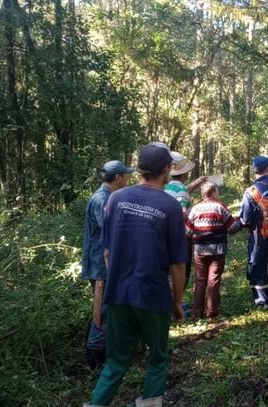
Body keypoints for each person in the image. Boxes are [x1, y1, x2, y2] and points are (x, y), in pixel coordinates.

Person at [84, 144, 188, 407]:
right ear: (166, 169)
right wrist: (177, 302)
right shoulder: (170, 206)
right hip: (153, 295)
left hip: (118, 293)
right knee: (157, 357)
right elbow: (178, 264)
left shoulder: (115, 200)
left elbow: (107, 252)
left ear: (139, 168)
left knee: (116, 361)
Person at [80, 160, 133, 369]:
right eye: (126, 176)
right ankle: (94, 360)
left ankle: (106, 352)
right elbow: (110, 232)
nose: (128, 179)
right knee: (101, 311)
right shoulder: (102, 200)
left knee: (109, 309)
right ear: (118, 178)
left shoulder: (108, 197)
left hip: (105, 264)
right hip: (100, 267)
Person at [237, 156, 268, 308]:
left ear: (253, 170)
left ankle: (262, 300)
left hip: (259, 235)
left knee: (257, 265)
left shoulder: (251, 192)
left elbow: (245, 218)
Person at [186, 182, 238, 319]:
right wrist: (242, 221)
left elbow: (188, 231)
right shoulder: (220, 207)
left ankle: (197, 312)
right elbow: (232, 229)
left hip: (199, 250)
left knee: (200, 280)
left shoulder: (195, 209)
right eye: (217, 191)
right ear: (214, 192)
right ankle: (212, 312)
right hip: (217, 249)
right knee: (213, 280)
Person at [164, 154, 206, 288]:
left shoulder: (169, 187)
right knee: (180, 271)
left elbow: (183, 192)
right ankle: (176, 303)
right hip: (179, 237)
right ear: (185, 174)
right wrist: (196, 208)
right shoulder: (181, 191)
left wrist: (198, 182)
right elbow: (181, 214)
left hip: (166, 235)